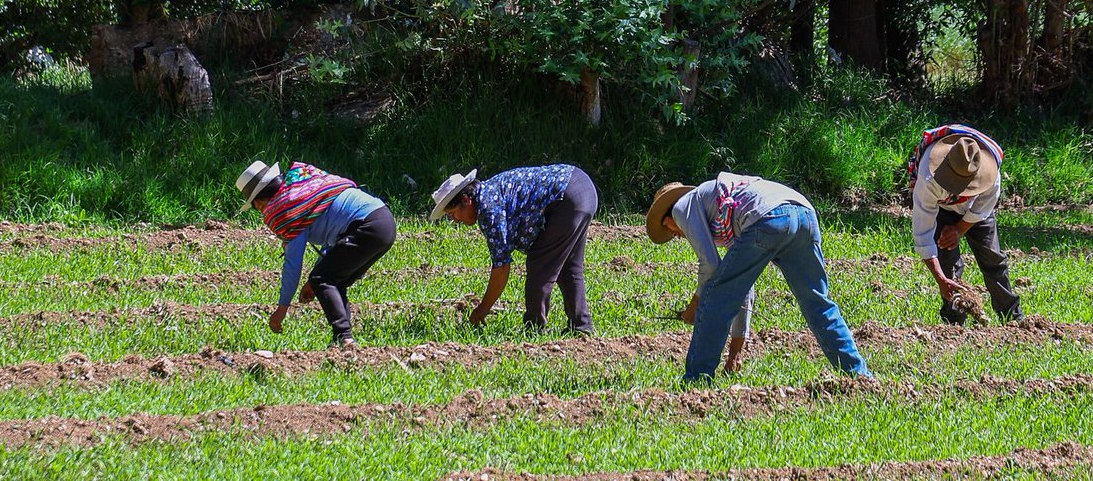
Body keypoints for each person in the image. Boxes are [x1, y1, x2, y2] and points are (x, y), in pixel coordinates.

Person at [645, 174, 870, 383]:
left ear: (669, 216)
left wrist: (694, 306)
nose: (677, 235)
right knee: (818, 303)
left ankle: (696, 378)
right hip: (803, 214)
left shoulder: (683, 207)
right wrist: (735, 352)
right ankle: (859, 376)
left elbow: (711, 266)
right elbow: (741, 287)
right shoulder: (723, 207)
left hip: (769, 216)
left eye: (672, 231)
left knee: (715, 297)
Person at [235, 160, 396, 347]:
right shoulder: (303, 189)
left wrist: (282, 308)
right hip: (383, 220)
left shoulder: (286, 210)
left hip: (365, 226)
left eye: (258, 208)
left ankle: (345, 338)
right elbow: (336, 239)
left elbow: (293, 264)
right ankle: (343, 338)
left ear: (259, 202)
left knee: (322, 278)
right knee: (335, 280)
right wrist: (312, 281)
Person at [430, 164, 596, 334]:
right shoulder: (490, 192)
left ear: (466, 200)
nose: (455, 220)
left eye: (452, 214)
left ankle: (534, 329)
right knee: (569, 266)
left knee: (539, 264)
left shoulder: (488, 209)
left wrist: (482, 310)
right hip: (582, 188)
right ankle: (581, 327)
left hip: (566, 198)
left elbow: (501, 267)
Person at [907, 124, 1023, 324]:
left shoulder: (991, 175)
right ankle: (954, 323)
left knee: (993, 258)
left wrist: (959, 229)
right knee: (948, 264)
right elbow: (923, 235)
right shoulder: (928, 179)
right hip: (942, 208)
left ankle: (1012, 318)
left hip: (975, 212)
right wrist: (941, 280)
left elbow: (982, 208)